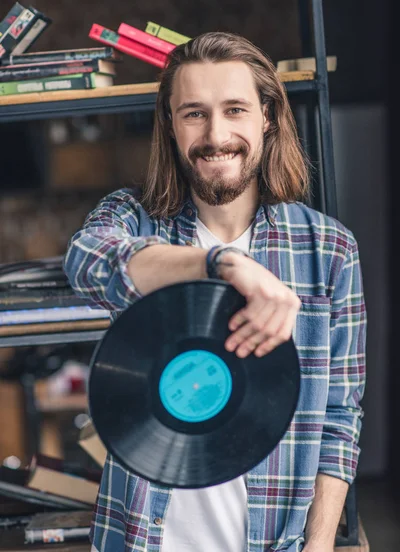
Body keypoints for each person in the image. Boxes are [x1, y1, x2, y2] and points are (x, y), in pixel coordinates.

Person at [64, 32, 366, 552]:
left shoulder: (330, 250)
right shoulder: (132, 216)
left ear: (267, 116)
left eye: (234, 110)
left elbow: (339, 418)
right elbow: (86, 257)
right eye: (194, 114)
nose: (216, 134)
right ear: (171, 125)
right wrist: (220, 264)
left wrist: (317, 546)